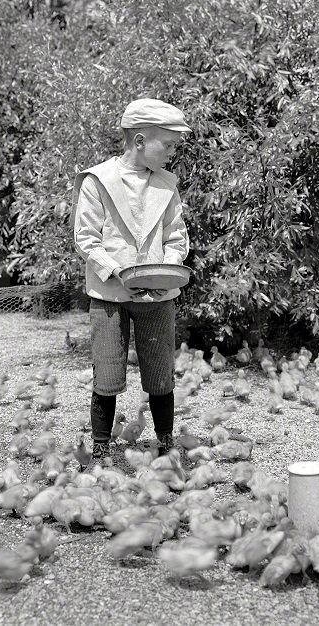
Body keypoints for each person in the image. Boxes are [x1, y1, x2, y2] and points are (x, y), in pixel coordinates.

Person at [72, 98, 191, 462]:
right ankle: (101, 444)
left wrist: (167, 268)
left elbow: (176, 236)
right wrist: (116, 271)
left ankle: (166, 439)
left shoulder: (167, 185)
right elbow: (86, 238)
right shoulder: (98, 181)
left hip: (157, 294)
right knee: (107, 368)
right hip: (110, 292)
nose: (173, 152)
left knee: (159, 368)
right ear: (140, 141)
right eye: (168, 145)